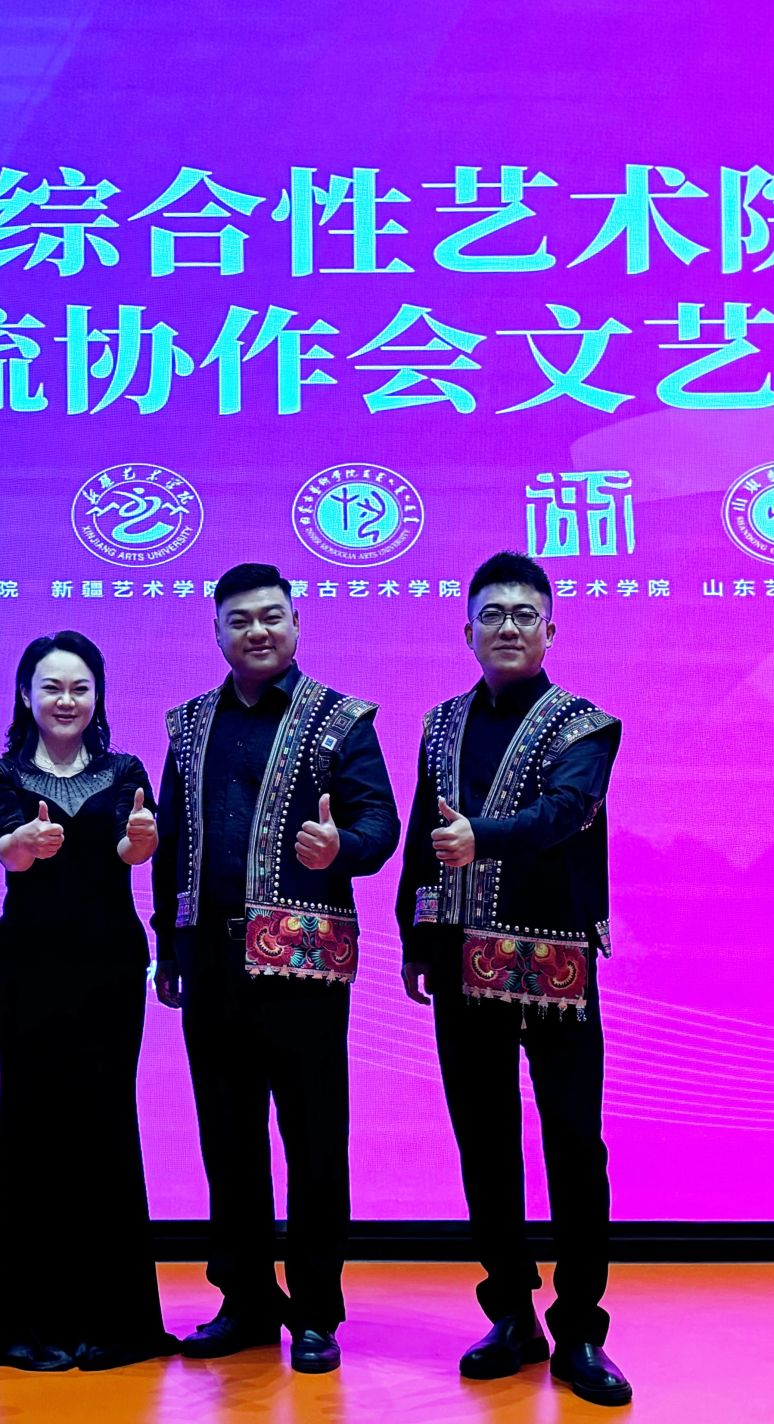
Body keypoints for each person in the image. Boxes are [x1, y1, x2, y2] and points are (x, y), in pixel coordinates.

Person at [394, 550, 630, 1407]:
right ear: (466, 631)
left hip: (556, 962)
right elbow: (423, 838)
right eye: (491, 614)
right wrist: (415, 937)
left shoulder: (587, 727)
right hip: (461, 960)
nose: (507, 628)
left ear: (550, 630)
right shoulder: (440, 725)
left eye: (523, 614)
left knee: (573, 1143)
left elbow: (565, 813)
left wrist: (481, 838)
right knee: (485, 1142)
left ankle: (580, 1329)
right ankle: (511, 1314)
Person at [151, 562, 400, 1374]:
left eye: (271, 616)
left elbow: (381, 823)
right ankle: (246, 1301)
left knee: (315, 1140)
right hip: (210, 959)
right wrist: (166, 945)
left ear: (296, 622)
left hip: (304, 968)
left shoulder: (341, 719)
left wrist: (342, 847)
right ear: (217, 632)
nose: (256, 631)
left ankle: (317, 1311)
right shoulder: (189, 725)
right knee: (228, 1140)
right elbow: (171, 842)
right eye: (240, 620)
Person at [0, 632, 178, 1372]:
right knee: (31, 1128)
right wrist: (24, 843)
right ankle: (28, 1325)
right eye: (52, 687)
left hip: (110, 969)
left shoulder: (127, 772)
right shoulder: (0, 774)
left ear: (98, 697)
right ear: (25, 694)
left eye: (80, 688)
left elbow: (131, 850)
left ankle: (115, 1322)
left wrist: (140, 845)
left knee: (105, 1125)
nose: (66, 700)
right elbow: (6, 847)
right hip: (31, 967)